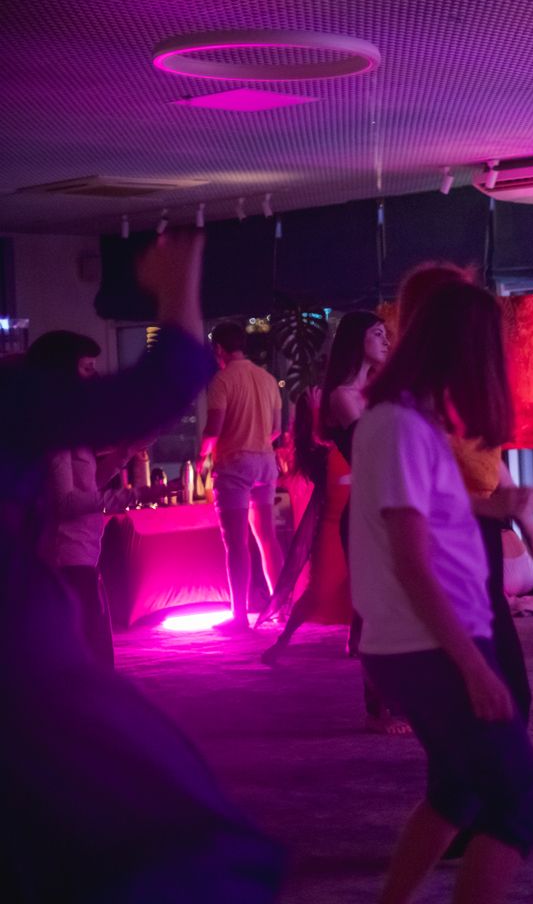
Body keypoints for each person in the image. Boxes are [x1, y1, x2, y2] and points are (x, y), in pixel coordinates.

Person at [1, 231, 284, 901]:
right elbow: (166, 381)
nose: (90, 379)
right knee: (133, 806)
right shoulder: (16, 399)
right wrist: (176, 284)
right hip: (21, 640)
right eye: (84, 372)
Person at [351, 283, 533, 904]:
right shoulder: (400, 427)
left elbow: (429, 509)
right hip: (429, 644)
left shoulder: (412, 422)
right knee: (518, 799)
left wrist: (503, 509)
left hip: (427, 640)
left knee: (457, 791)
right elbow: (411, 560)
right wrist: (472, 666)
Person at [28, 331, 168, 667]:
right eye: (87, 368)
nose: (95, 377)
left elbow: (87, 486)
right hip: (68, 557)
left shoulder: (68, 426)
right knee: (93, 661)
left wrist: (127, 451)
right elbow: (66, 503)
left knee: (96, 658)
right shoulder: (55, 431)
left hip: (84, 553)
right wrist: (132, 495)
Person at [262, 311, 388, 666]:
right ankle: (288, 640)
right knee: (330, 582)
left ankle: (359, 646)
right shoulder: (342, 396)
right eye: (378, 334)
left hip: (376, 498)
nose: (386, 342)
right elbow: (370, 448)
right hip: (359, 501)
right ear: (358, 341)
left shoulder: (375, 393)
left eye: (386, 335)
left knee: (370, 586)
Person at [201, 320, 283, 633]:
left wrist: (203, 456)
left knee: (236, 543)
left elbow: (213, 429)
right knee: (267, 537)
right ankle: (280, 607)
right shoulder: (267, 379)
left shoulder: (222, 380)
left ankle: (239, 617)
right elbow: (276, 429)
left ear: (219, 349)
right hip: (265, 462)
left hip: (235, 464)